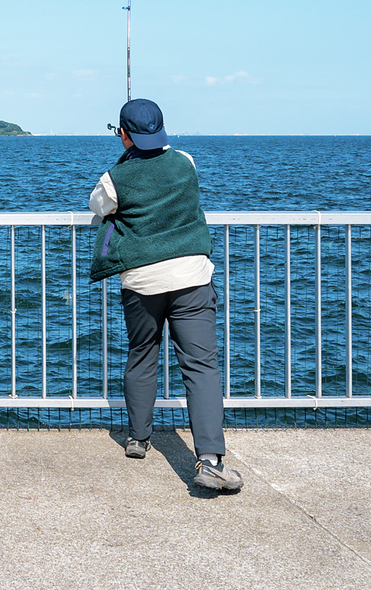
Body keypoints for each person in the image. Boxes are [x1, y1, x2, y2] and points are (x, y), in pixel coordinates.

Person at [88, 98, 241, 492]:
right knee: (201, 366)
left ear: (123, 133)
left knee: (143, 353)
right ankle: (209, 459)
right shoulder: (185, 162)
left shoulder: (113, 178)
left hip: (142, 282)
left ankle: (138, 438)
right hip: (192, 275)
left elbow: (98, 207)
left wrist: (123, 166)